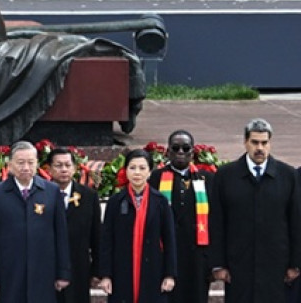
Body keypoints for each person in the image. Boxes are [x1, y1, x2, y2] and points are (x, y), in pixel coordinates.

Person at [209, 118, 301, 303]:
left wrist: (295, 264)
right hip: (238, 265)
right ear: (245, 142)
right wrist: (218, 264)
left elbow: (296, 221)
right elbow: (217, 222)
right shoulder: (226, 176)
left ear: (270, 143)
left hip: (276, 266)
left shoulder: (288, 175)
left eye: (264, 142)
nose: (260, 148)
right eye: (255, 142)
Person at [0, 141, 70, 302]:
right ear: (10, 165)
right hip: (11, 270)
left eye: (31, 162)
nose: (26, 167)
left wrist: (63, 271)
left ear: (37, 164)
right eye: (20, 162)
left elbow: (61, 234)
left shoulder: (51, 191)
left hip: (44, 270)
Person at [99, 149, 176, 303]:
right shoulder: (116, 201)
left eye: (142, 168)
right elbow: (106, 240)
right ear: (125, 171)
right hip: (122, 269)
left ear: (149, 172)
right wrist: (105, 275)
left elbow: (169, 239)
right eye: (132, 168)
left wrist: (170, 274)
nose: (137, 173)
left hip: (153, 268)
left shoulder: (160, 202)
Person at [147, 130, 212, 303]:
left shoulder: (206, 179)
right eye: (175, 148)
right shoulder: (156, 178)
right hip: (166, 252)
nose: (181, 153)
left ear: (193, 151)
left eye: (185, 148)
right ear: (168, 152)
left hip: (196, 254)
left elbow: (215, 220)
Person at [48, 147, 101, 303]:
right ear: (49, 169)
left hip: (79, 267)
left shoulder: (89, 196)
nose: (64, 169)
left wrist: (97, 270)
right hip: (48, 268)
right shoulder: (40, 195)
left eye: (67, 165)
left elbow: (97, 235)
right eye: (58, 165)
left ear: (75, 168)